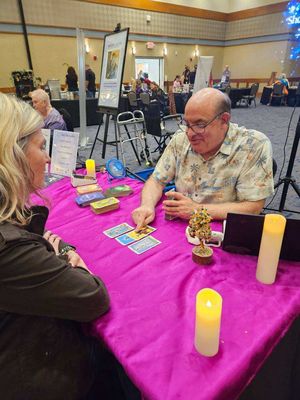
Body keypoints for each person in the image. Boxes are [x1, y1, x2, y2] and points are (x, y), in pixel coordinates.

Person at [0, 93, 140, 400]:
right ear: (14, 156)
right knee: (121, 362)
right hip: (36, 375)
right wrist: (66, 254)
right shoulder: (8, 249)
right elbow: (93, 296)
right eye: (40, 147)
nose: (48, 158)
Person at [132, 88, 274, 228]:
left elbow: (253, 207)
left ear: (224, 120)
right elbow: (156, 181)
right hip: (182, 226)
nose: (190, 133)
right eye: (187, 124)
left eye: (200, 124)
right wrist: (146, 206)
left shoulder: (253, 145)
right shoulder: (180, 140)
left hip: (223, 231)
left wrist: (197, 210)